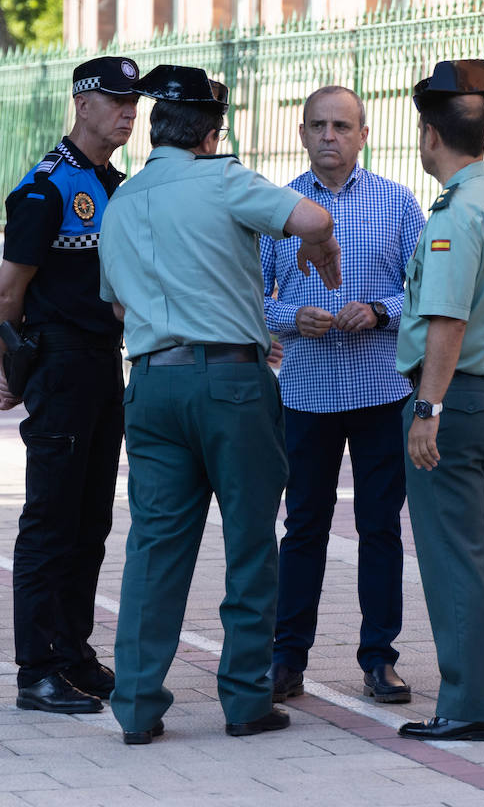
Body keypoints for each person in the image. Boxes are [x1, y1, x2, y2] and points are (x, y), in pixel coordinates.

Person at [98, 64, 342, 743]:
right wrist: (322, 246)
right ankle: (243, 700)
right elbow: (313, 214)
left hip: (150, 381)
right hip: (230, 381)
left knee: (153, 548)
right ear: (211, 132)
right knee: (249, 544)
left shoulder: (122, 201)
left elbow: (116, 301)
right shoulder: (223, 178)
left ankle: (138, 706)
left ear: (156, 129)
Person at [260, 86, 425, 705]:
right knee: (302, 527)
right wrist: (288, 317)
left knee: (380, 528)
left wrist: (381, 311)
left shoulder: (398, 203)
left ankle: (380, 658)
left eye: (342, 126)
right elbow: (252, 297)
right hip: (304, 393)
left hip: (382, 392)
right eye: (319, 126)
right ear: (302, 134)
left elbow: (430, 290)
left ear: (363, 134)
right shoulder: (277, 207)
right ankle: (287, 658)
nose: (330, 136)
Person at [0, 55, 140, 715]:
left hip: (104, 365)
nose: (127, 112)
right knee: (51, 521)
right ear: (82, 105)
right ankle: (38, 670)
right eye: (115, 101)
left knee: (91, 520)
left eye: (133, 102)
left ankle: (73, 653)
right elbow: (4, 295)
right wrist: (14, 375)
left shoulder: (118, 183)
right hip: (59, 366)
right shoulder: (44, 188)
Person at [394, 59, 484, 743]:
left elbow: (446, 320)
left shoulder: (456, 212)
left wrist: (427, 408)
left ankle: (469, 706)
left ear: (429, 134)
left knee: (456, 554)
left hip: (459, 396)